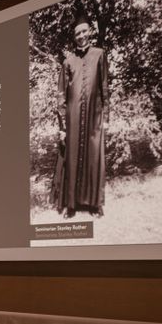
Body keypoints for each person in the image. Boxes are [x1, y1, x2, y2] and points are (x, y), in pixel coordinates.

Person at [53, 14, 109, 219]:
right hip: (73, 118)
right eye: (77, 33)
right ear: (74, 36)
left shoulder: (100, 55)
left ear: (90, 32)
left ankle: (95, 205)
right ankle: (71, 205)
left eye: (84, 31)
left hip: (95, 116)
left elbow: (104, 87)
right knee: (72, 158)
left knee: (94, 159)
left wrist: (107, 117)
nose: (81, 36)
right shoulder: (68, 62)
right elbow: (61, 95)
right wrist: (62, 126)